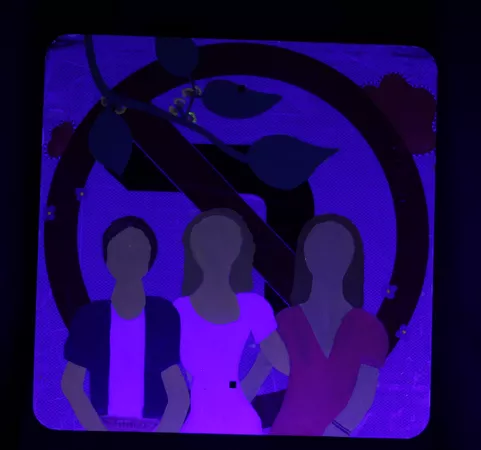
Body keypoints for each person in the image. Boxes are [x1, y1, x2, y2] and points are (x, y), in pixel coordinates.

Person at [61, 216, 190, 432]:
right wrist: (98, 433)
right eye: (119, 250)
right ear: (107, 258)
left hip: (153, 427)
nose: (129, 257)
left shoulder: (163, 314)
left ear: (149, 258)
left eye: (138, 250)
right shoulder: (89, 317)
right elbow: (71, 383)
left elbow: (177, 391)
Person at [269, 214, 389, 437]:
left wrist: (336, 431)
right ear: (306, 255)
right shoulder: (285, 322)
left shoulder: (369, 328)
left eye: (338, 248)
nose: (328, 255)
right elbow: (257, 377)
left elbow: (363, 396)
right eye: (320, 246)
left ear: (351, 257)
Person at [174, 208, 290, 435]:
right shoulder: (180, 310)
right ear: (196, 251)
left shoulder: (253, 307)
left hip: (240, 425)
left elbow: (282, 363)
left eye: (225, 243)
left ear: (237, 250)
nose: (216, 252)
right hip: (199, 424)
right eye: (208, 244)